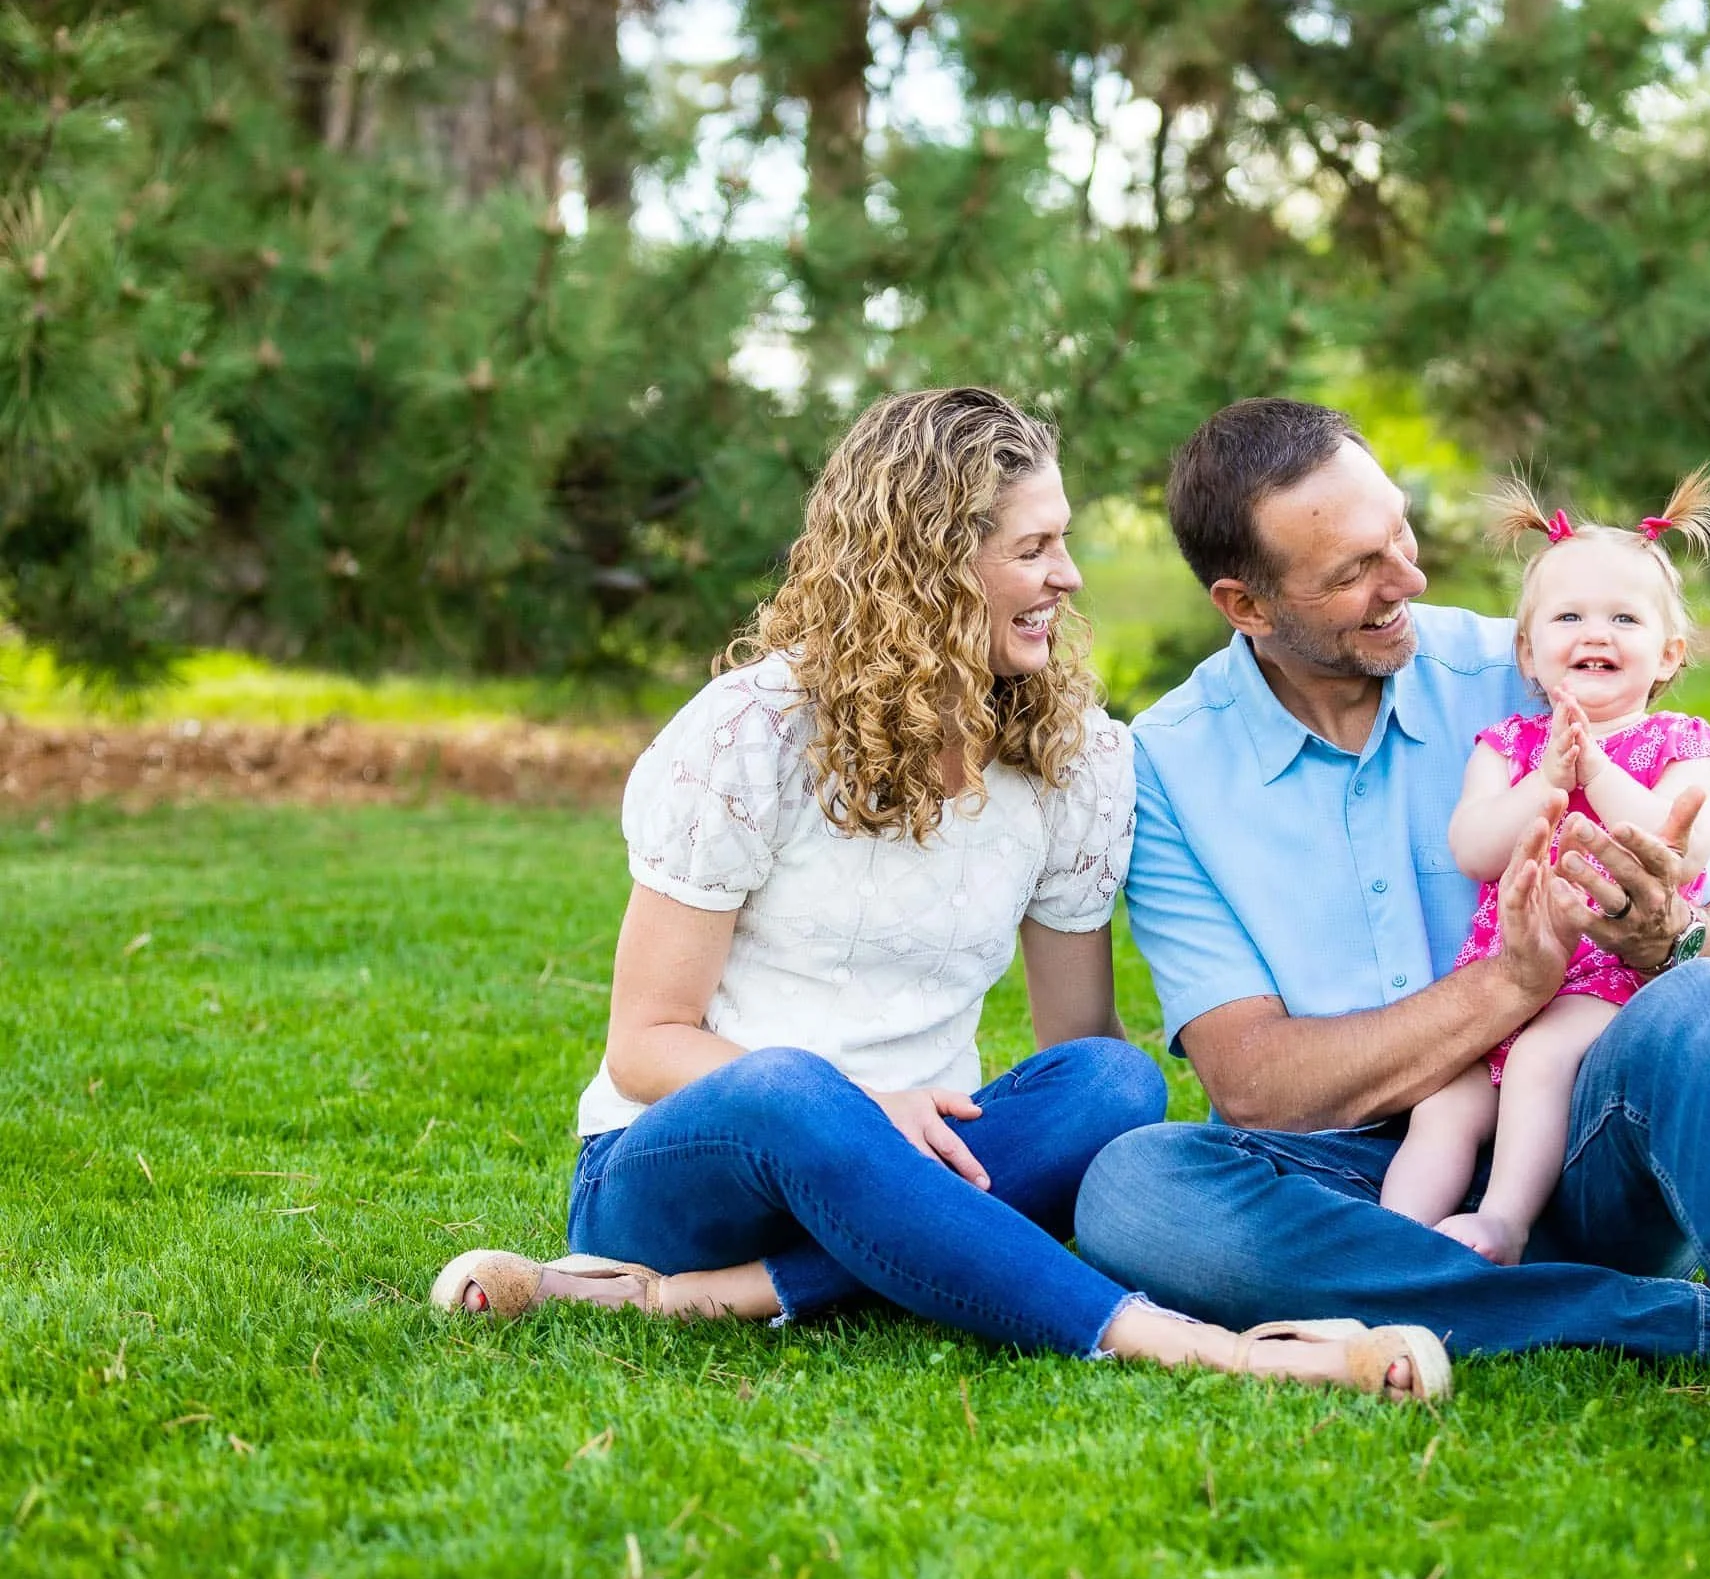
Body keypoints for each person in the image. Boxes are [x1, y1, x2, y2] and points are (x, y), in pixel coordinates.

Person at [430, 387, 1449, 1403]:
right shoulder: (753, 732)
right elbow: (645, 1043)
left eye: (1064, 541)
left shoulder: (1075, 755)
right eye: (1033, 548)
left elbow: (1075, 1048)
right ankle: (1215, 1349)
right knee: (793, 1086)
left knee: (1114, 1084)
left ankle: (700, 1299)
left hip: (925, 1163)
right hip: (691, 1166)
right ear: (925, 565)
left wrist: (959, 1130)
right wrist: (862, 1104)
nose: (1069, 574)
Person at [1074, 397, 1710, 1475]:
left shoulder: (1534, 658)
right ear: (1247, 603)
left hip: (1579, 1140)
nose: (1408, 578)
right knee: (1133, 1187)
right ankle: (1680, 1318)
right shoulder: (1171, 763)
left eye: (1400, 534)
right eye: (1356, 570)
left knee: (1697, 998)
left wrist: (1668, 939)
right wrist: (1510, 981)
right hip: (1367, 1188)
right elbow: (1261, 1086)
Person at [1381, 470, 1710, 1268]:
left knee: (1543, 1060)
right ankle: (1387, 1249)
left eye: (1623, 618)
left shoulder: (1679, 747)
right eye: (1568, 616)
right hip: (1502, 980)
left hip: (1609, 988)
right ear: (1527, 650)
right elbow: (1472, 845)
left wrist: (1595, 773)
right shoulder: (1508, 746)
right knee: (1441, 1102)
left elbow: (1677, 849)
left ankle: (1504, 1222)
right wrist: (1546, 780)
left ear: (1668, 652)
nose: (1594, 634)